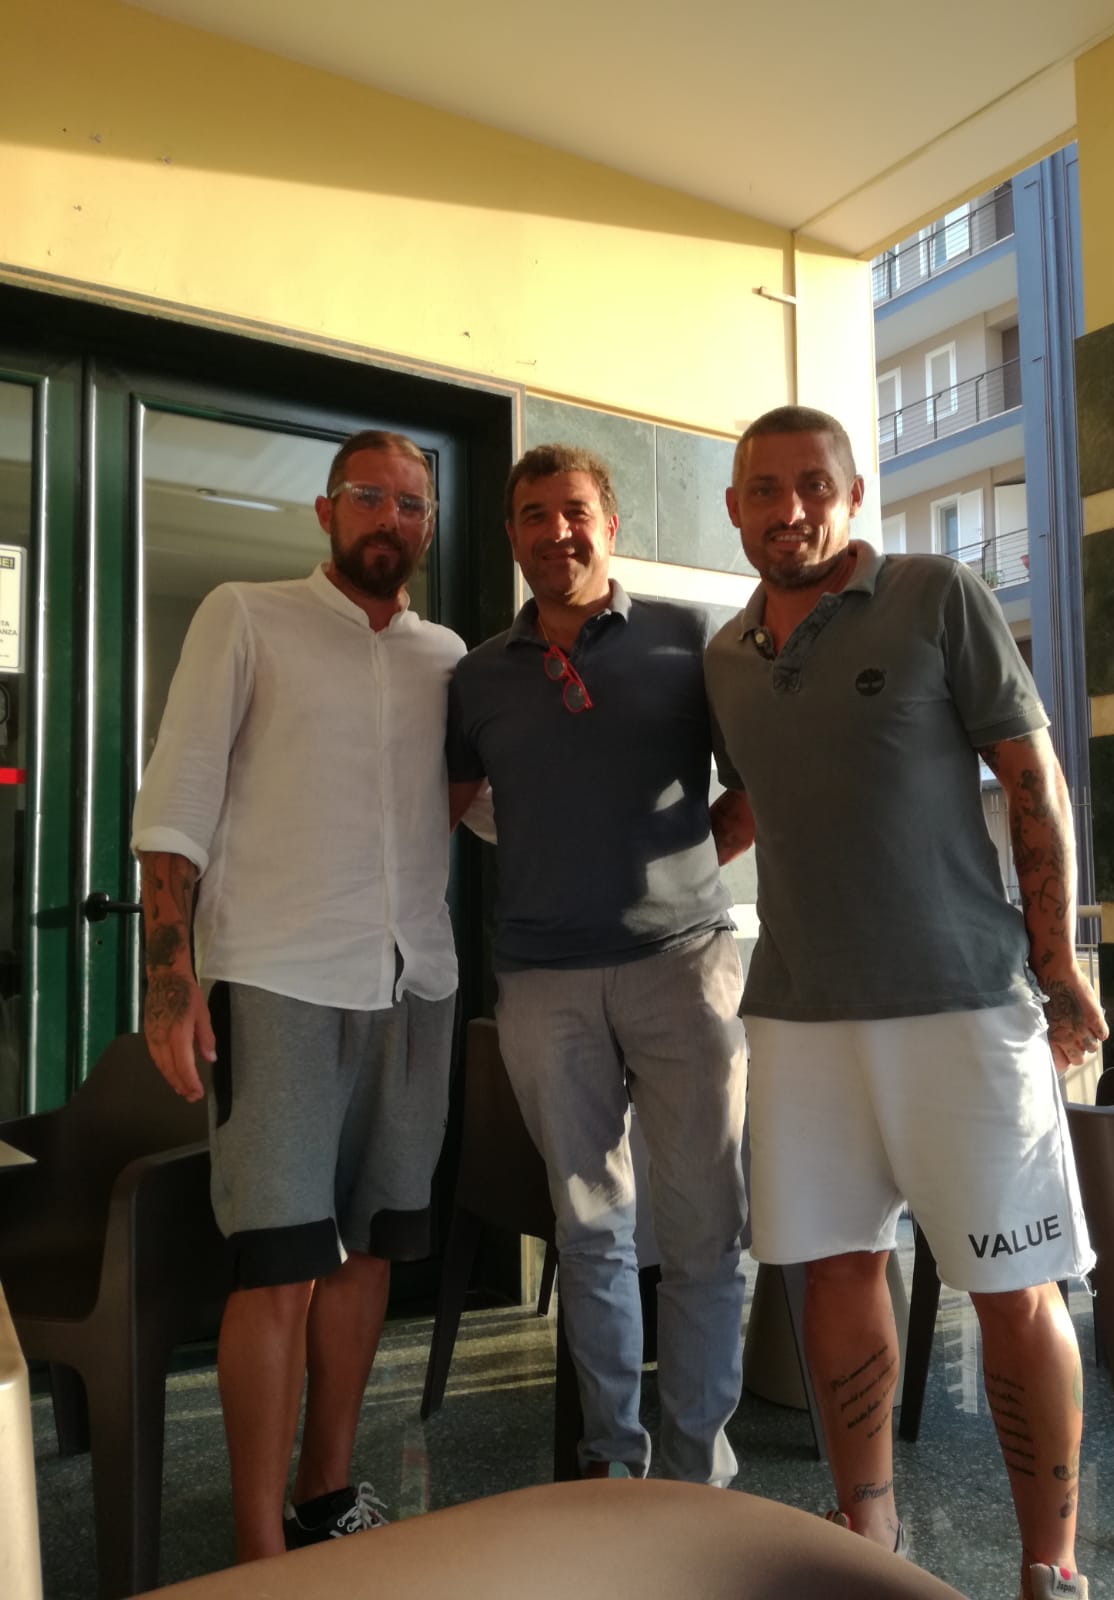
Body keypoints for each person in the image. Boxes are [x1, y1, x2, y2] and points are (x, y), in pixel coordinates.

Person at [704, 405, 1105, 1600]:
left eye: (812, 484)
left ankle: (1052, 1567)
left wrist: (1058, 961)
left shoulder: (936, 596)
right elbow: (749, 806)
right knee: (833, 1273)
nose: (789, 508)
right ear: (734, 507)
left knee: (1014, 1286)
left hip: (962, 1006)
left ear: (853, 494)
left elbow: (1031, 777)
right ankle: (866, 1537)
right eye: (765, 488)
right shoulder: (725, 657)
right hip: (799, 1014)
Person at [132, 429, 465, 1563]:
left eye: (412, 504)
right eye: (369, 496)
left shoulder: (448, 658)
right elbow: (177, 801)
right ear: (326, 511)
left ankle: (326, 1491)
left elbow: (486, 804)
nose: (391, 518)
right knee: (279, 1262)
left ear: (429, 526)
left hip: (414, 985)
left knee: (369, 1252)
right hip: (277, 978)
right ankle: (259, 1550)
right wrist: (168, 979)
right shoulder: (244, 614)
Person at [445, 443, 750, 1485]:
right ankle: (614, 1465)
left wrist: (682, 871)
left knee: (706, 1233)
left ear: (609, 524)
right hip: (544, 986)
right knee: (590, 1232)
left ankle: (697, 1474)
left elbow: (752, 787)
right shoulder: (478, 675)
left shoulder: (686, 639)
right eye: (533, 515)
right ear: (512, 536)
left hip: (685, 971)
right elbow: (446, 809)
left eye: (573, 510)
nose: (556, 531)